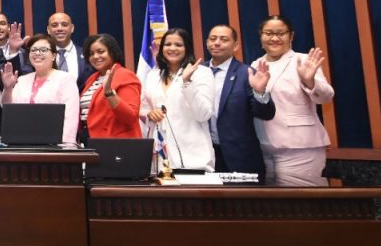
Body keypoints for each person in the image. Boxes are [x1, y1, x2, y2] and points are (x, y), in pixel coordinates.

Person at [251, 15, 334, 186]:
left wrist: (309, 81)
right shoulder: (255, 64)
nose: (274, 38)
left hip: (299, 148)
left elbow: (326, 96)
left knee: (301, 206)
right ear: (261, 36)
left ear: (291, 36)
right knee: (274, 209)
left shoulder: (303, 60)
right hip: (264, 148)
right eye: (268, 33)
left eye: (281, 33)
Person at [204, 24, 276, 179]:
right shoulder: (197, 72)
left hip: (240, 158)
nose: (217, 43)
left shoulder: (246, 73)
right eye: (213, 39)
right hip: (204, 157)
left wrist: (259, 92)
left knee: (243, 204)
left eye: (224, 39)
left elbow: (266, 113)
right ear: (207, 43)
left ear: (235, 45)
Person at [140, 28, 215, 172]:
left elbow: (203, 114)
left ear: (187, 48)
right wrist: (150, 114)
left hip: (193, 157)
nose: (172, 48)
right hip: (159, 158)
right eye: (168, 44)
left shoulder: (201, 73)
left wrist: (187, 83)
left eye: (178, 45)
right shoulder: (153, 76)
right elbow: (143, 107)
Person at [0, 34, 80, 144]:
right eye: (33, 50)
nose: (37, 53)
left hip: (55, 145)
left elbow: (70, 117)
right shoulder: (22, 80)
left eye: (43, 50)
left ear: (53, 56)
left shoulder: (65, 79)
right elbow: (10, 109)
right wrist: (8, 88)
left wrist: (65, 146)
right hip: (22, 142)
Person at [79, 34, 141, 142]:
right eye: (91, 54)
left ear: (112, 52)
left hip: (115, 143)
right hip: (90, 140)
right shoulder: (92, 78)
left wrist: (109, 93)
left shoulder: (125, 75)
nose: (95, 56)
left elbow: (130, 116)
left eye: (101, 51)